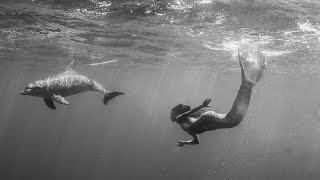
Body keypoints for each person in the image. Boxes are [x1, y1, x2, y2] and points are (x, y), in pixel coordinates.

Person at [170, 48, 266, 147]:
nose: (170, 116)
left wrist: (202, 105)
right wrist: (184, 143)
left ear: (177, 114)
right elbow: (196, 142)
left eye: (171, 113)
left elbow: (189, 112)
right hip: (207, 120)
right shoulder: (186, 126)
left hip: (205, 120)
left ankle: (247, 84)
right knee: (233, 120)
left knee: (232, 121)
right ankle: (248, 83)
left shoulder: (179, 119)